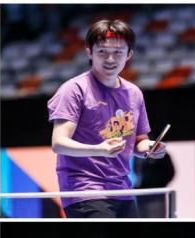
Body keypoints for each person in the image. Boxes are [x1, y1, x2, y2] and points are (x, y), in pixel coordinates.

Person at [48, 19, 167, 218]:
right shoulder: (74, 90)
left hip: (123, 190)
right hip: (84, 190)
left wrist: (150, 148)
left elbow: (139, 142)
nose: (110, 59)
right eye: (102, 51)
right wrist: (99, 149)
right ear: (89, 52)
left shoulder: (134, 93)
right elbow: (59, 143)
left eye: (118, 52)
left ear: (129, 54)